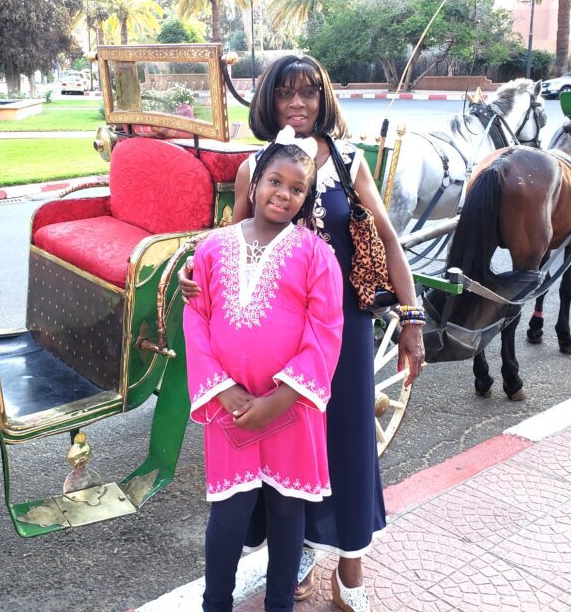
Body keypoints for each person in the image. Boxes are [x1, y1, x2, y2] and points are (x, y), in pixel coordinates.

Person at [181, 55, 426, 611]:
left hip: (342, 334)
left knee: (349, 446)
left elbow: (386, 241)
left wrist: (411, 322)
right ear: (269, 100)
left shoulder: (350, 160)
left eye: (309, 93)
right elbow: (232, 241)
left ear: (324, 98)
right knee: (283, 452)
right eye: (287, 93)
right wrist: (194, 274)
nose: (298, 103)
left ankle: (350, 570)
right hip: (272, 342)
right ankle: (294, 558)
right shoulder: (254, 167)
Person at [185, 130, 344, 612]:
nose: (284, 194)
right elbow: (197, 319)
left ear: (305, 199)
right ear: (254, 185)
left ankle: (280, 604)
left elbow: (325, 328)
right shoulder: (211, 249)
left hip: (289, 409)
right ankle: (217, 604)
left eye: (297, 189)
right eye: (275, 181)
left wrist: (281, 398)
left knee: (286, 509)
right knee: (227, 516)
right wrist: (223, 391)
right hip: (228, 409)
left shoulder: (316, 254)